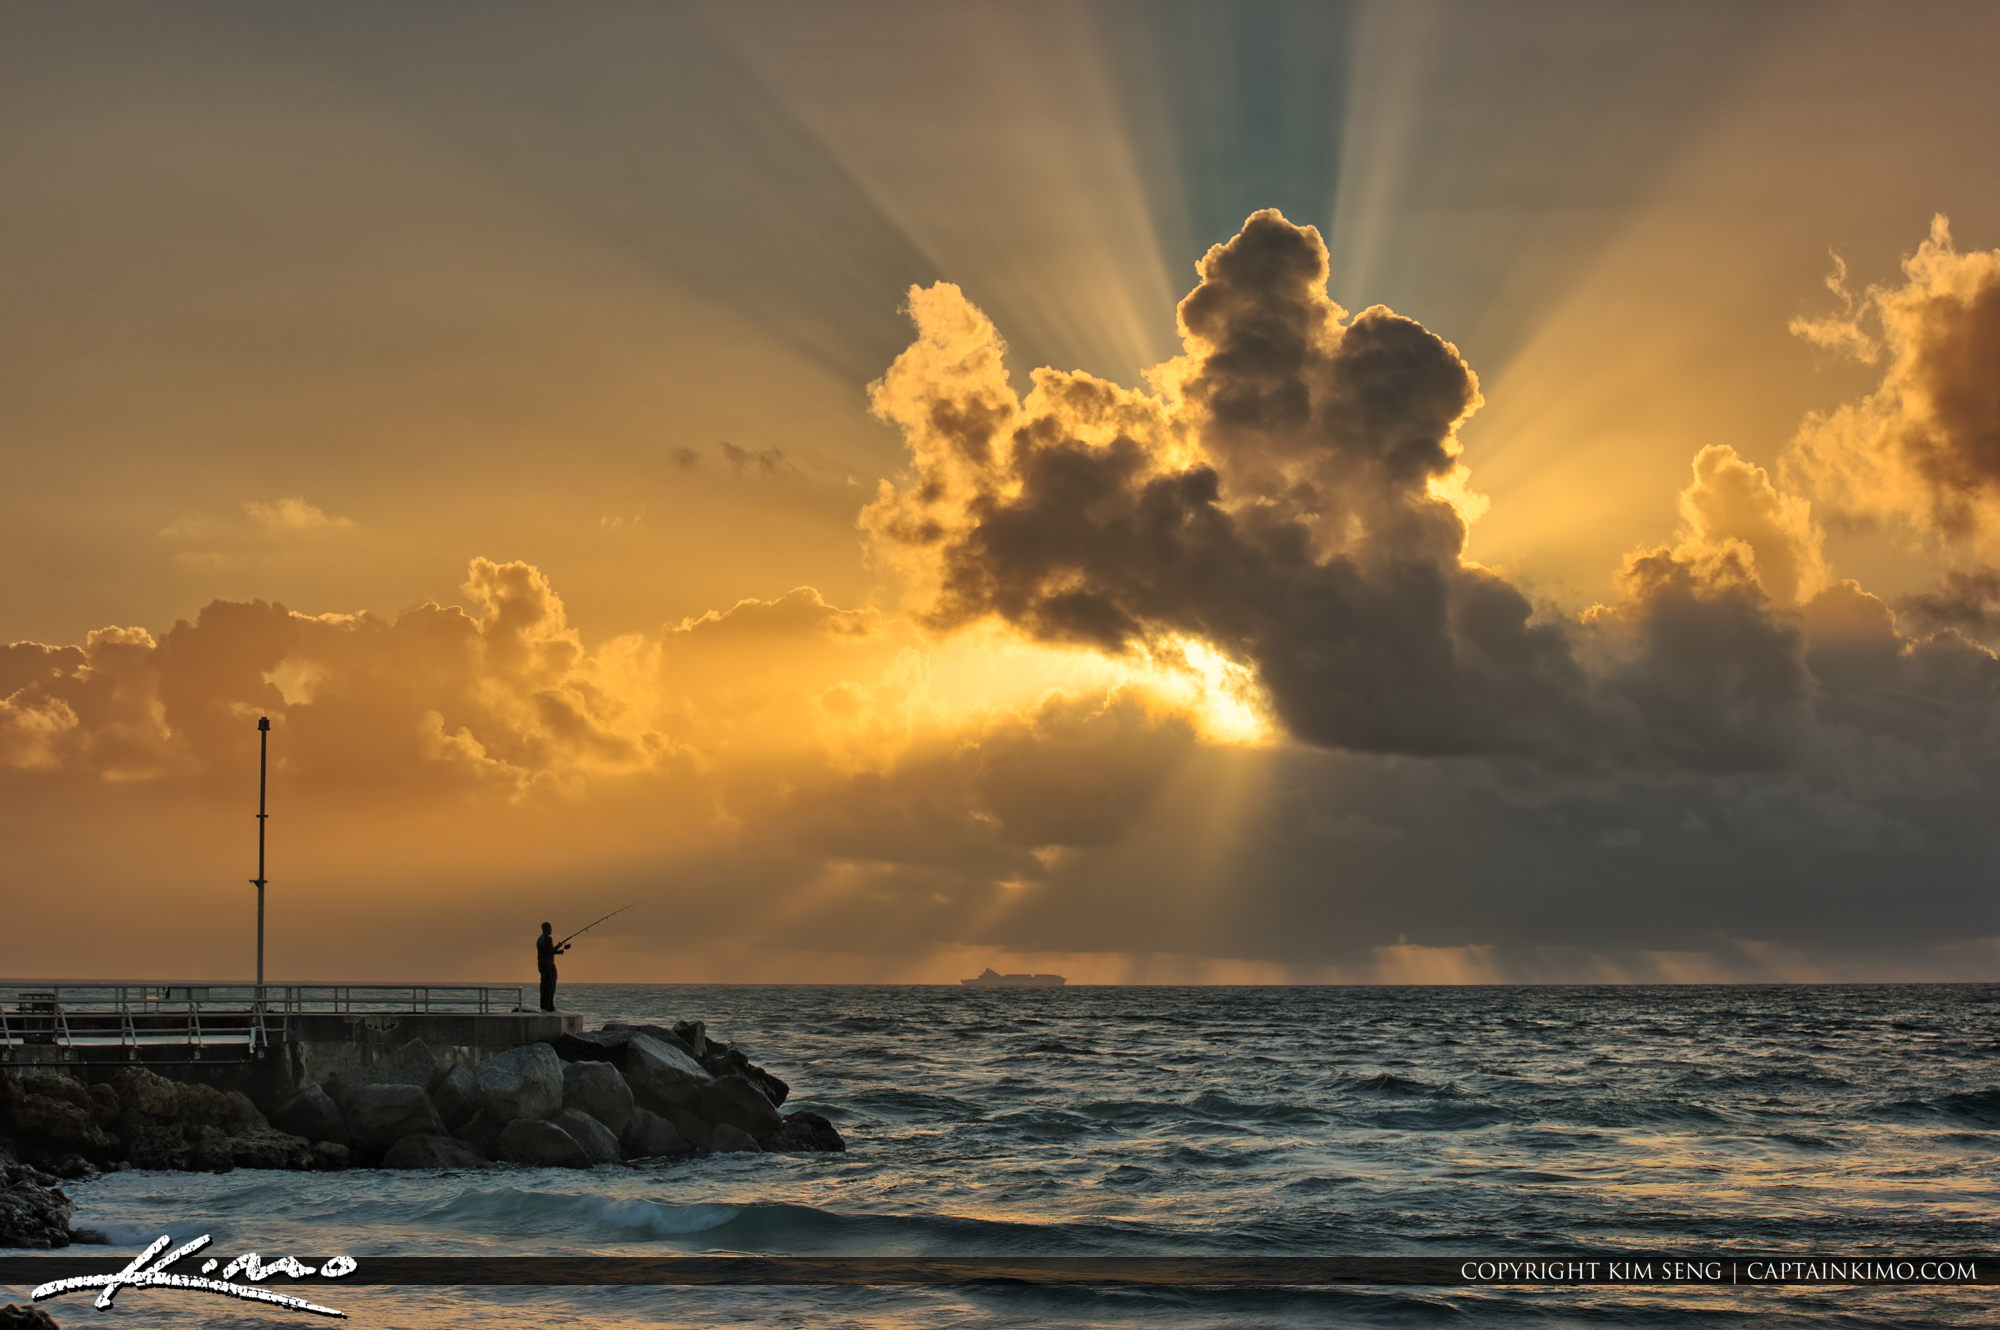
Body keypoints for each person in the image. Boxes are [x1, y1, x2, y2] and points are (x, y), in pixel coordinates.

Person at [536, 922, 569, 1012]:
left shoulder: (540, 938)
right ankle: (549, 1007)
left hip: (542, 964)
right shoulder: (548, 938)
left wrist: (558, 950)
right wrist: (559, 948)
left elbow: (546, 951)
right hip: (548, 965)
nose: (551, 929)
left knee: (544, 985)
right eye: (550, 928)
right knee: (551, 985)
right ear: (547, 929)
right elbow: (550, 951)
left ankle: (543, 1006)